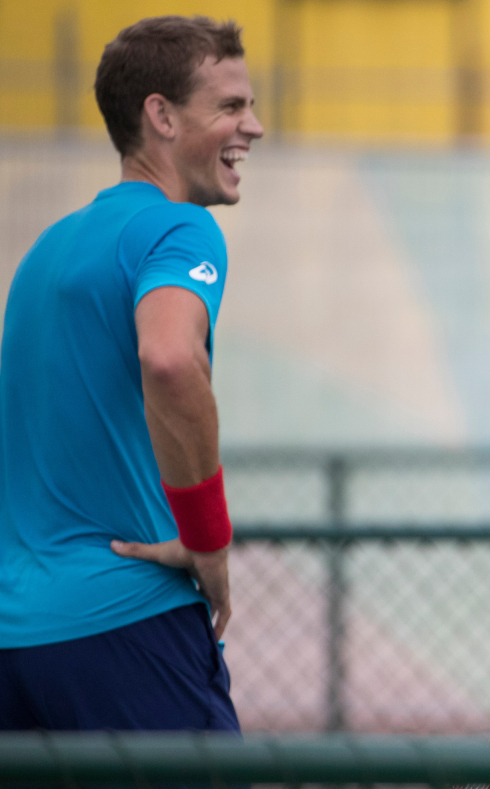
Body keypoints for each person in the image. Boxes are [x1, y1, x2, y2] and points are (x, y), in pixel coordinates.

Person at [0, 15, 262, 730]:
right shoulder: (179, 227)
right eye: (232, 106)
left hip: (15, 642)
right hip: (127, 627)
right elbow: (171, 357)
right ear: (161, 116)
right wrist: (207, 537)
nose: (255, 126)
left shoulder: (45, 252)